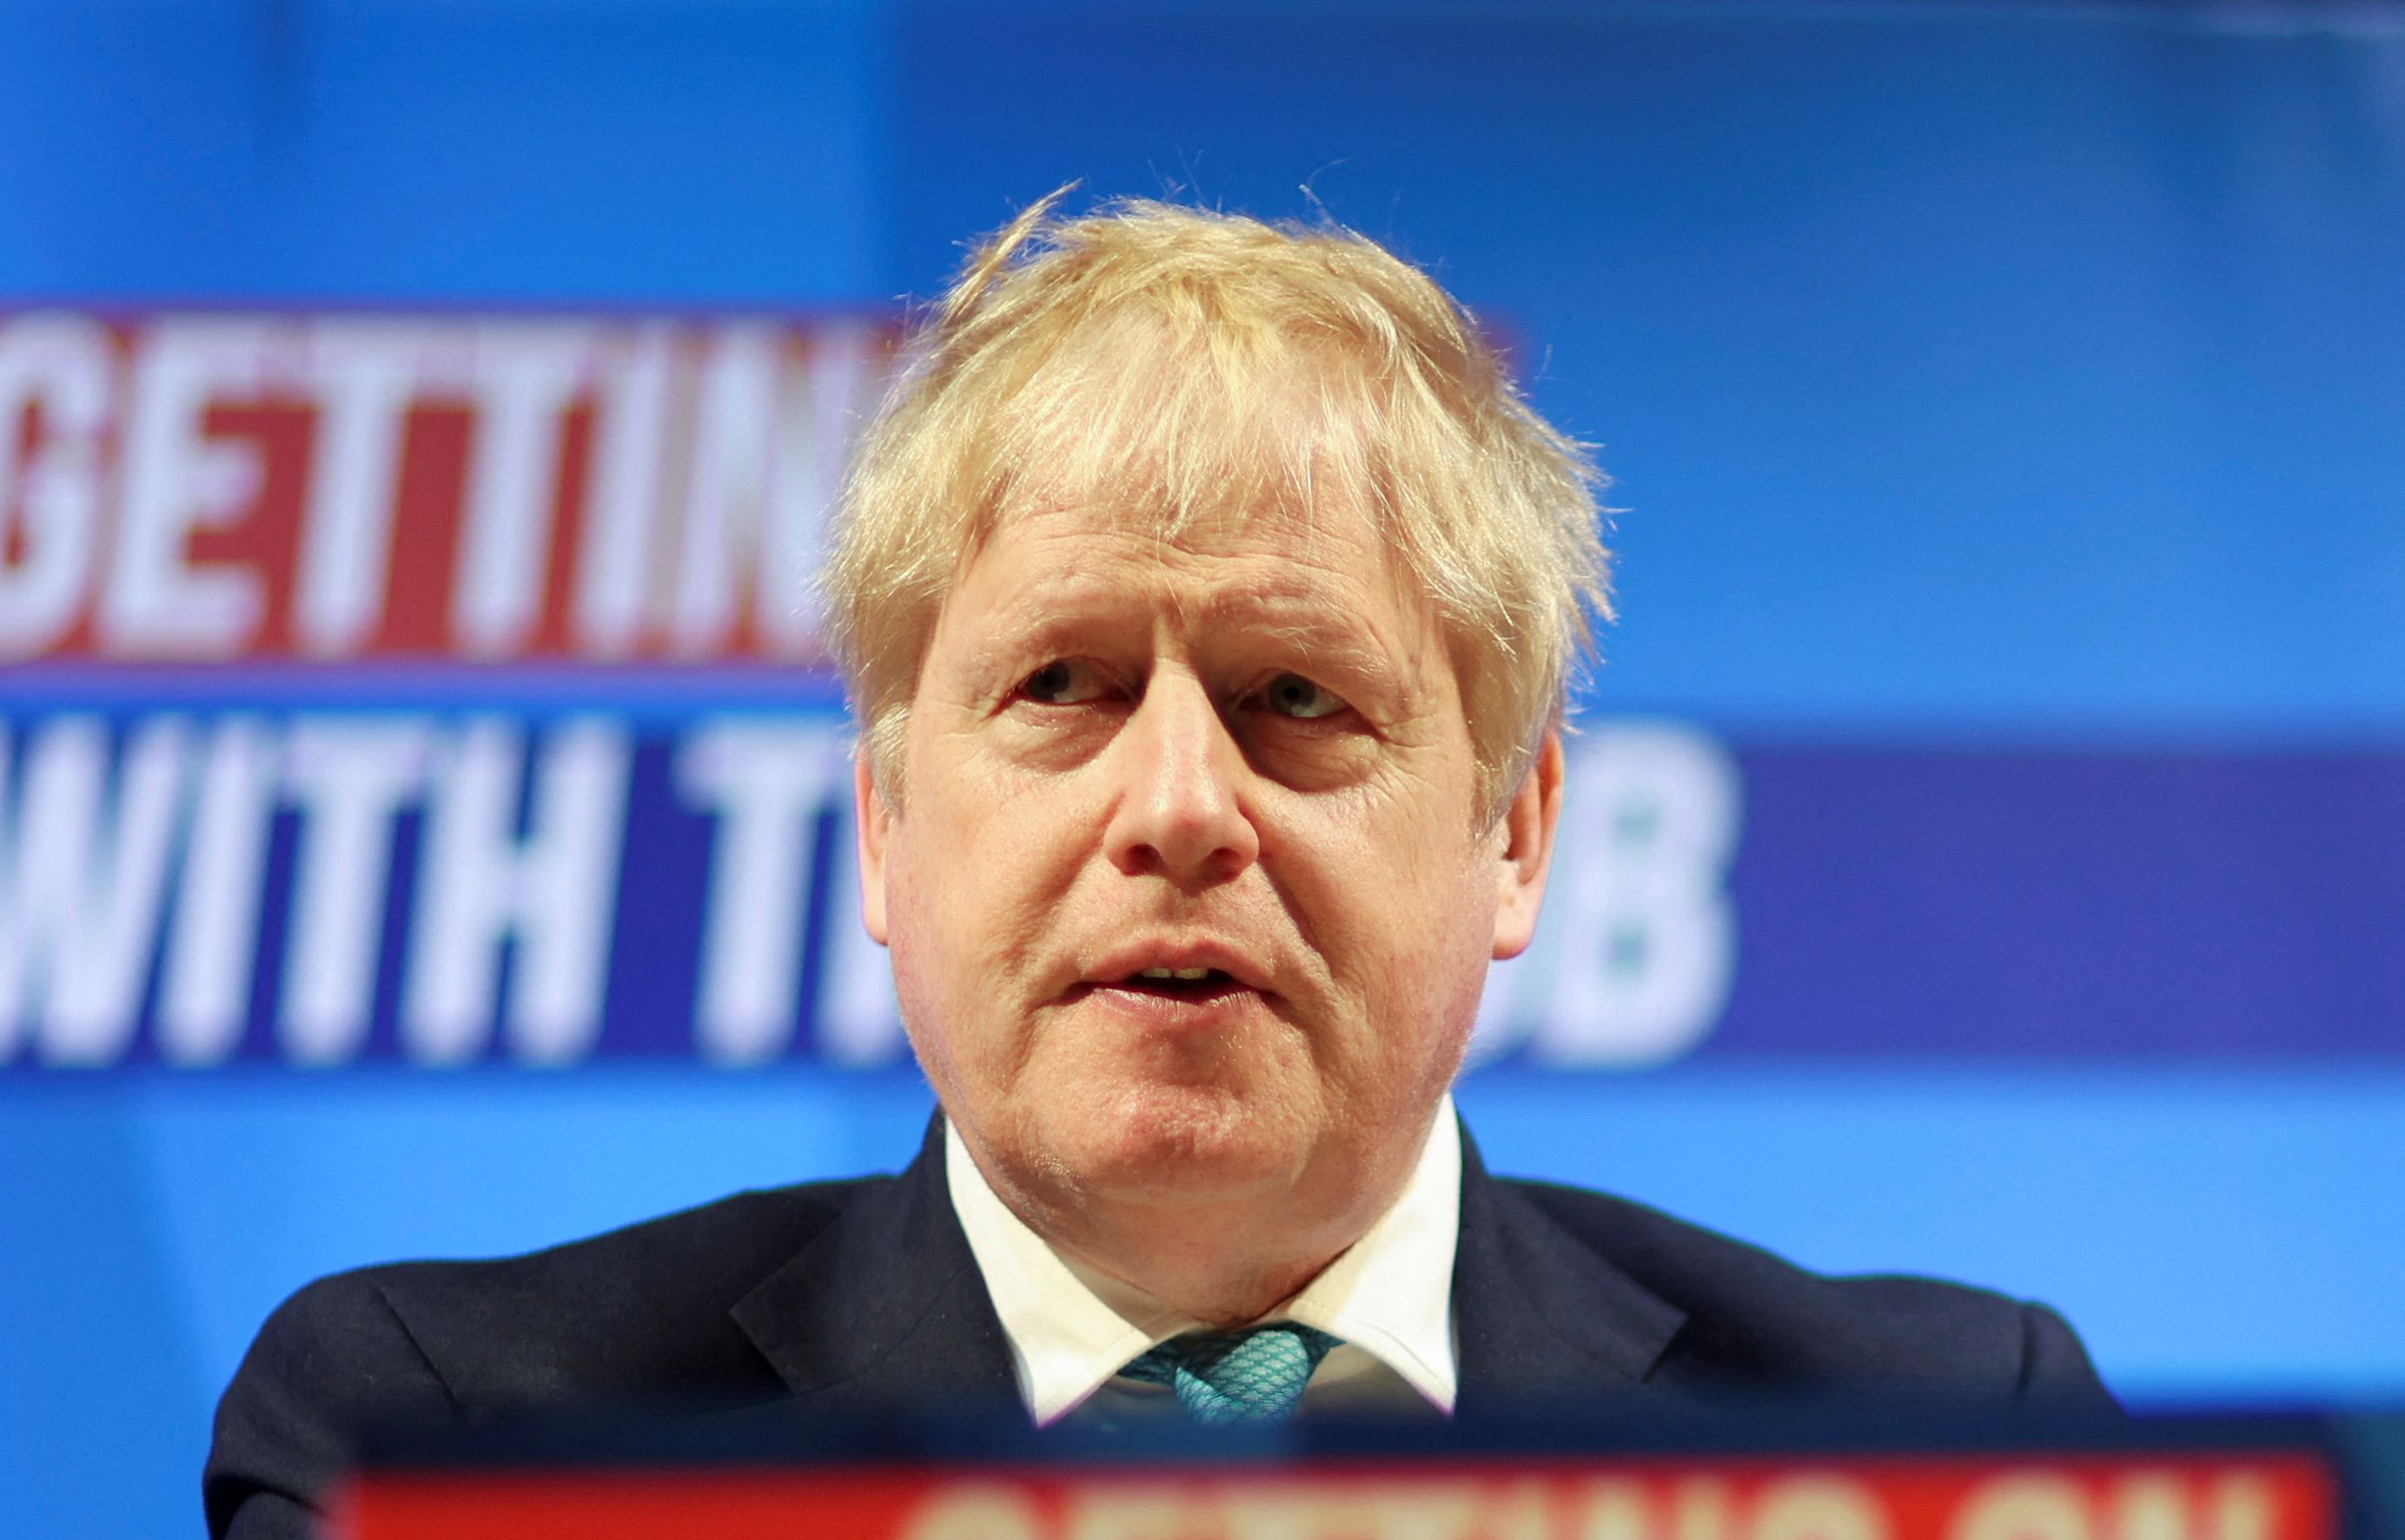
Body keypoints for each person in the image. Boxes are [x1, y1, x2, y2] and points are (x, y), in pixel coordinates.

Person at [203, 195, 2113, 1539]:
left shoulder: (1944, 1454)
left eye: (1296, 694)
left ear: (1515, 828)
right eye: (1063, 686)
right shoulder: (452, 1449)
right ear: (885, 825)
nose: (1180, 804)